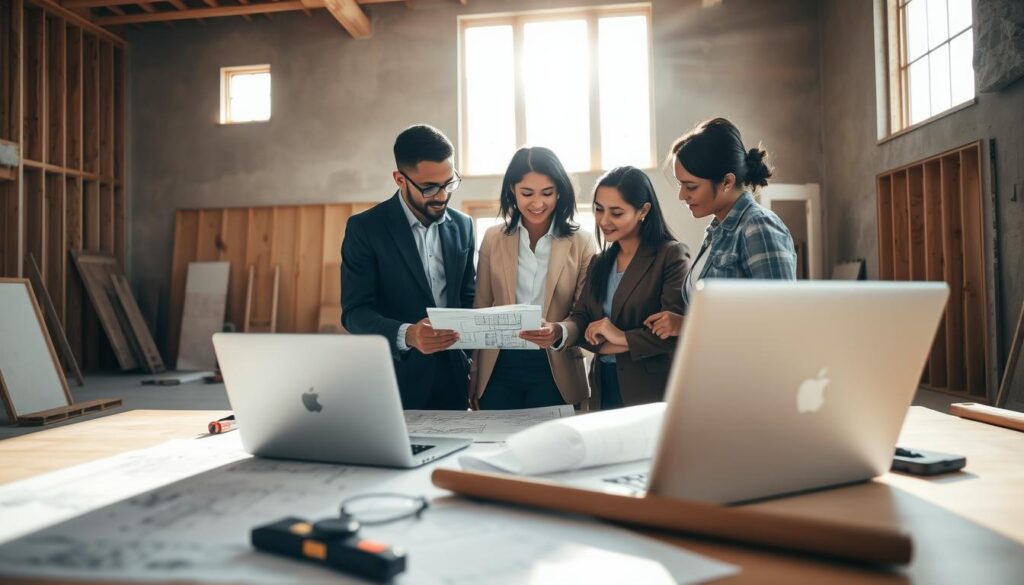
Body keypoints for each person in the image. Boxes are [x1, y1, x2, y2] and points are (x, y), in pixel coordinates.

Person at [341, 124, 476, 409]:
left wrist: (476, 361)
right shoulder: (365, 229)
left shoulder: (463, 226)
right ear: (400, 179)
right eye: (429, 187)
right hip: (395, 382)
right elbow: (354, 313)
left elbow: (467, 297)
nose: (441, 195)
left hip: (454, 379)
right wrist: (408, 335)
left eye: (449, 183)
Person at [645, 117, 797, 340]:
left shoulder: (757, 227)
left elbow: (779, 321)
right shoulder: (719, 230)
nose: (681, 195)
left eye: (690, 186)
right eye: (680, 185)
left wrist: (685, 326)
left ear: (727, 182)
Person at [471, 147, 596, 410]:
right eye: (527, 193)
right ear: (512, 191)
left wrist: (558, 331)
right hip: (498, 367)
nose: (537, 203)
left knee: (549, 449)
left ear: (560, 192)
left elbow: (583, 312)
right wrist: (473, 377)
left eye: (547, 193)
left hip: (556, 367)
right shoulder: (493, 238)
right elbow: (480, 308)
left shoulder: (582, 242)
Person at [560, 166, 689, 409]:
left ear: (644, 211)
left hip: (649, 391)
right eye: (598, 209)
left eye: (616, 213)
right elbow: (583, 319)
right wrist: (563, 331)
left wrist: (618, 336)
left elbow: (673, 333)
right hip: (602, 385)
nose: (604, 221)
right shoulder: (600, 262)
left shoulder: (670, 255)